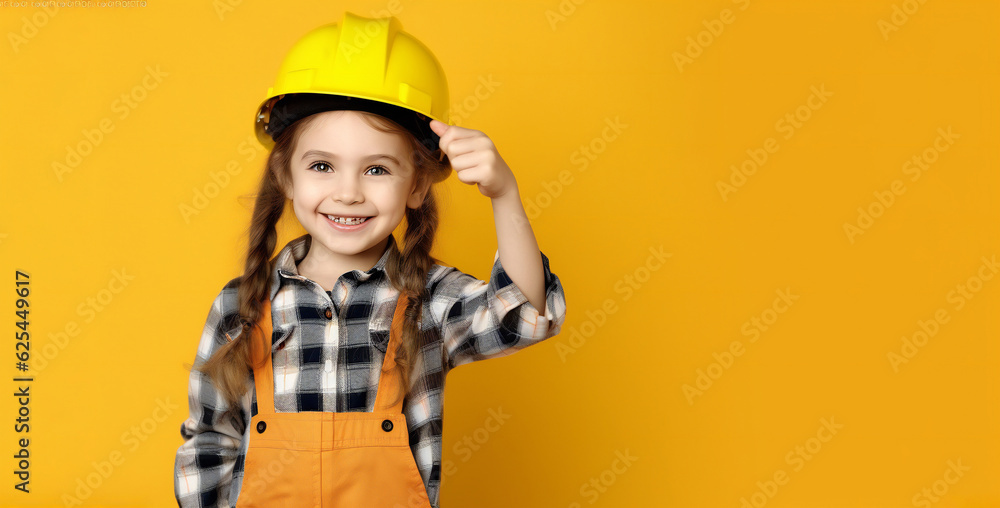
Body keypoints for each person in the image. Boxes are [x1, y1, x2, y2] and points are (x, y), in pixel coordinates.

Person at [173, 11, 567, 508]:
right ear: (286, 176)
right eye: (322, 165)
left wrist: (504, 194)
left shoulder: (429, 299)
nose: (348, 192)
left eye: (377, 169)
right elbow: (210, 442)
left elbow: (524, 316)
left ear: (418, 184)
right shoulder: (240, 304)